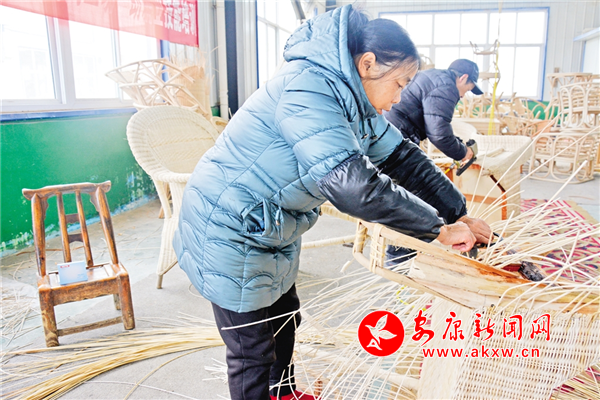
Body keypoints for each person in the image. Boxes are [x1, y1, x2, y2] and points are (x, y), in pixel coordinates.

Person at [173, 6, 490, 400]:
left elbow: (403, 159)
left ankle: (283, 393)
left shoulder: (355, 101)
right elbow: (352, 185)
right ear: (368, 64)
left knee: (285, 318)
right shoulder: (308, 89)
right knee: (251, 349)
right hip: (227, 226)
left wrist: (459, 213)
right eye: (399, 83)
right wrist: (438, 230)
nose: (398, 99)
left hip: (269, 225)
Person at [384, 58, 484, 162]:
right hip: (397, 132)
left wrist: (459, 144)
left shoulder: (434, 76)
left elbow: (439, 125)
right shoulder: (447, 88)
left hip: (389, 125)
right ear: (463, 78)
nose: (463, 96)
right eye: (467, 90)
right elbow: (439, 134)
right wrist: (463, 153)